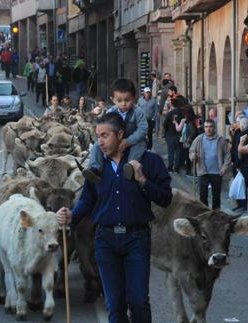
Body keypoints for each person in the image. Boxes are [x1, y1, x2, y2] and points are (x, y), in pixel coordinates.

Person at [55, 112, 172, 323]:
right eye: (98, 136)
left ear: (120, 134)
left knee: (138, 302)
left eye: (105, 135)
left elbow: (165, 198)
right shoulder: (97, 167)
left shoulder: (148, 160)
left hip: (137, 239)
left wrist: (143, 180)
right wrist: (71, 215)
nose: (100, 141)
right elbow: (87, 201)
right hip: (105, 241)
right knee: (115, 306)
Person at [82, 79, 149, 183]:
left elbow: (143, 129)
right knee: (97, 145)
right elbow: (104, 126)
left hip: (134, 140)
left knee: (140, 146)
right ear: (113, 99)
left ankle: (130, 166)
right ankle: (95, 168)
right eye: (119, 101)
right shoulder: (111, 112)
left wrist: (128, 141)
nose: (124, 104)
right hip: (115, 140)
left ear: (134, 98)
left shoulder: (138, 112)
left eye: (127, 100)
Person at [189, 119, 231, 210]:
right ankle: (205, 214)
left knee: (216, 196)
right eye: (206, 127)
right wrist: (192, 156)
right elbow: (191, 150)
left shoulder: (221, 140)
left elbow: (228, 154)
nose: (208, 129)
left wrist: (224, 167)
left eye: (210, 127)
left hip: (217, 172)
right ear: (204, 128)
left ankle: (216, 215)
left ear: (214, 128)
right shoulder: (199, 139)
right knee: (203, 196)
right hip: (203, 171)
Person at [163, 96, 185, 172]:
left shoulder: (170, 113)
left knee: (170, 151)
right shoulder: (182, 113)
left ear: (172, 104)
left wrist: (166, 131)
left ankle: (170, 167)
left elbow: (164, 124)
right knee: (178, 151)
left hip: (170, 134)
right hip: (179, 134)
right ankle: (176, 168)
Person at [175, 106, 198, 176]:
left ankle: (189, 171)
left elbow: (193, 132)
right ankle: (189, 170)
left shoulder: (189, 122)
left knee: (188, 156)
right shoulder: (191, 120)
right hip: (189, 141)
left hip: (189, 142)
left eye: (184, 113)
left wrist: (189, 139)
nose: (183, 114)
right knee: (187, 156)